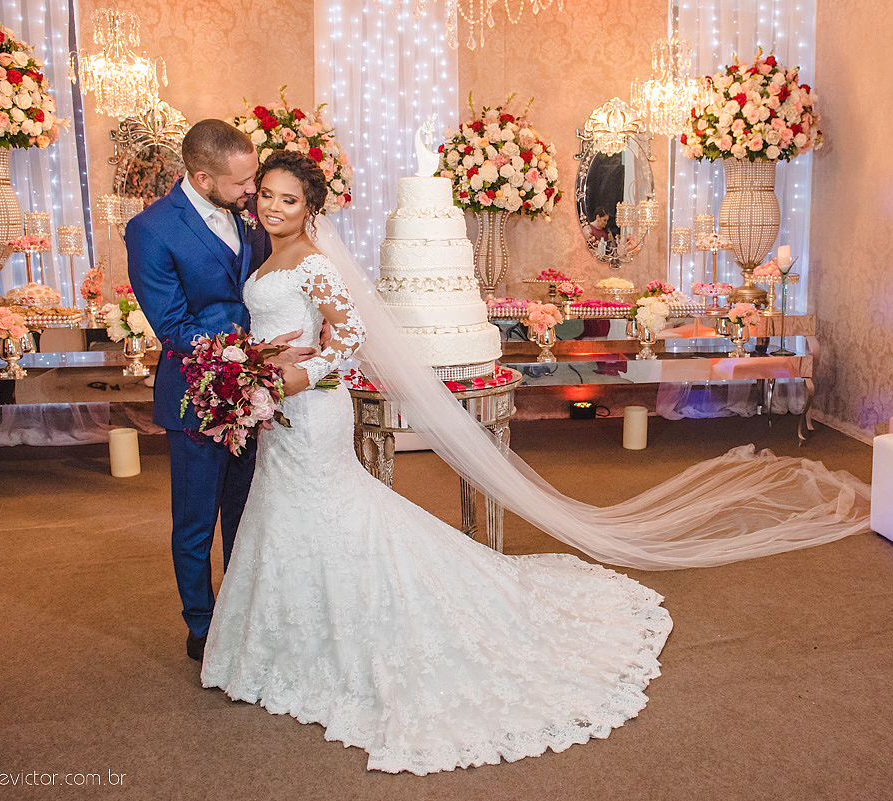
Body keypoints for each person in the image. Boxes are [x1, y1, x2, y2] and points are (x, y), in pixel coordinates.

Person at [200, 151, 673, 775]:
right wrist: (249, 369)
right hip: (279, 415)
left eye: (289, 199)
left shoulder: (315, 263)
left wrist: (294, 378)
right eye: (267, 194)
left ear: (312, 207)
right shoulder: (265, 257)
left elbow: (347, 341)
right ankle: (281, 649)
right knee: (284, 516)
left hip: (311, 410)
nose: (273, 207)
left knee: (332, 516)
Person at [126, 120, 315, 663]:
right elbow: (174, 328)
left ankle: (240, 611)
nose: (252, 191)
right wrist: (253, 351)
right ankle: (202, 627)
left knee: (243, 508)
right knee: (195, 520)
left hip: (254, 393)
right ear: (202, 176)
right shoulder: (151, 230)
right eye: (241, 182)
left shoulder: (250, 219)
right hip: (195, 396)